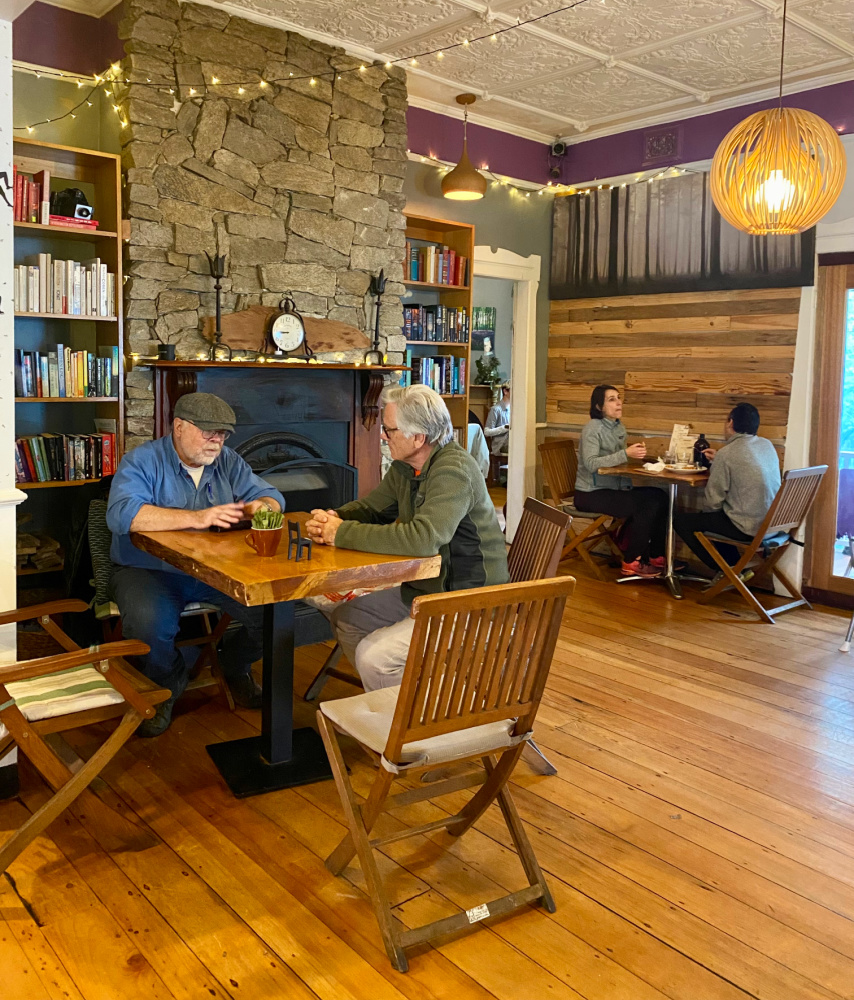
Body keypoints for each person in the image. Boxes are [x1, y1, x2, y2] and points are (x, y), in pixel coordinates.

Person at [305, 384, 509, 691]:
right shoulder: (407, 467)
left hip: (466, 600)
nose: (383, 436)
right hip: (426, 587)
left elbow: (422, 539)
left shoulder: (453, 471)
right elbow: (373, 509)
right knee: (348, 618)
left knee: (376, 658)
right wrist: (335, 518)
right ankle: (408, 700)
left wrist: (341, 534)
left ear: (418, 437)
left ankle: (412, 724)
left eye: (389, 430)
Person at [106, 392, 285, 737]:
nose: (217, 441)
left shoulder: (229, 461)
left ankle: (234, 664)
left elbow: (273, 497)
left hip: (214, 569)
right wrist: (198, 518)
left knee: (275, 614)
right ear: (178, 427)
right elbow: (122, 514)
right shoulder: (141, 461)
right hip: (148, 569)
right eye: (208, 432)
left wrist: (257, 508)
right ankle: (167, 683)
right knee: (148, 625)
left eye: (223, 434)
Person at [674, 403, 781, 577]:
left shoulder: (727, 453)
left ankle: (727, 571)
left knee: (683, 521)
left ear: (730, 423)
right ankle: (736, 569)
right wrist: (721, 460)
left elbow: (712, 501)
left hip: (749, 528)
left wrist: (721, 460)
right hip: (773, 525)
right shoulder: (767, 445)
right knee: (720, 518)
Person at [573, 384, 669, 578]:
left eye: (618, 398)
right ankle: (632, 560)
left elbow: (617, 460)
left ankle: (655, 555)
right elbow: (591, 464)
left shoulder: (619, 427)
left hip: (611, 489)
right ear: (599, 407)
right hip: (589, 493)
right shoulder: (593, 428)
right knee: (645, 504)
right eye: (611, 399)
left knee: (660, 495)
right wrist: (625, 453)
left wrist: (640, 458)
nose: (618, 402)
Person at [484, 380, 511, 456]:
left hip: (510, 442)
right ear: (505, 391)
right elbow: (486, 432)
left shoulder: (513, 410)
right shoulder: (495, 409)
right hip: (500, 445)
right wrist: (505, 428)